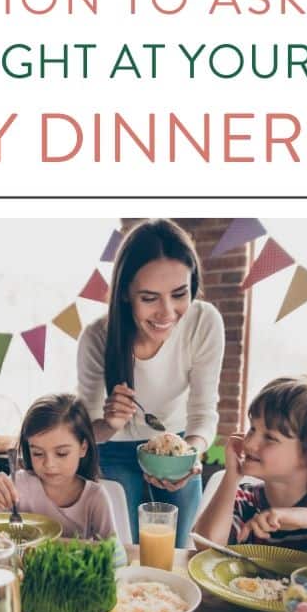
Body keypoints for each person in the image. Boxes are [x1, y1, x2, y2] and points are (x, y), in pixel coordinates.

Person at [77, 219, 225, 546]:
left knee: (183, 550)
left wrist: (192, 457)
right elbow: (86, 434)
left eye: (179, 294)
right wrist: (110, 423)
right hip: (114, 452)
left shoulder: (204, 322)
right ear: (127, 293)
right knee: (125, 552)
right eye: (149, 298)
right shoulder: (97, 338)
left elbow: (203, 412)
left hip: (180, 450)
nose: (167, 312)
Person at [195, 376, 307, 564]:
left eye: (270, 437)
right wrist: (232, 475)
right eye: (252, 429)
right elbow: (205, 545)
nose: (250, 443)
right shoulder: (245, 501)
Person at [0, 393, 127, 566]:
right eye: (38, 453)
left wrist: (43, 544)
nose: (49, 464)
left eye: (61, 453)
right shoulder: (19, 485)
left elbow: (117, 557)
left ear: (83, 448)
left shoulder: (95, 498)